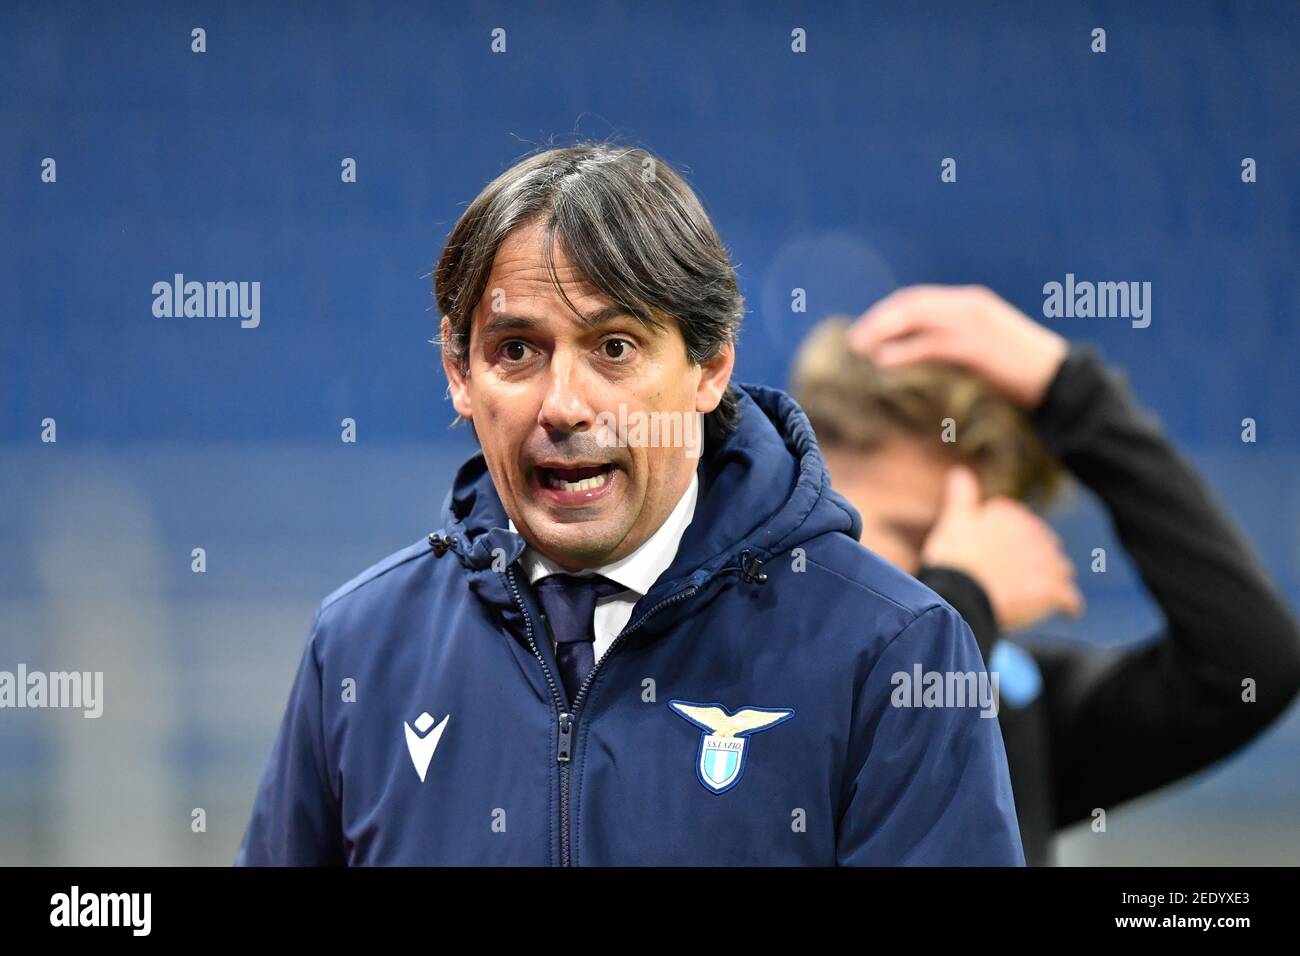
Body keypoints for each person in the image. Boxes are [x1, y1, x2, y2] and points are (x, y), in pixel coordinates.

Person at [235, 145, 1024, 865]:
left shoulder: (890, 652)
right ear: (458, 370)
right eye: (516, 351)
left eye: (615, 347)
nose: (565, 406)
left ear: (710, 368)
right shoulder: (360, 650)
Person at [790, 285, 1300, 865]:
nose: (955, 555)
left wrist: (1071, 390)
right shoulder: (753, 683)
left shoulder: (1002, 703)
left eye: (967, 539)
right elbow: (845, 748)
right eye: (912, 535)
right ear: (808, 494)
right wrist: (964, 595)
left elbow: (1248, 667)